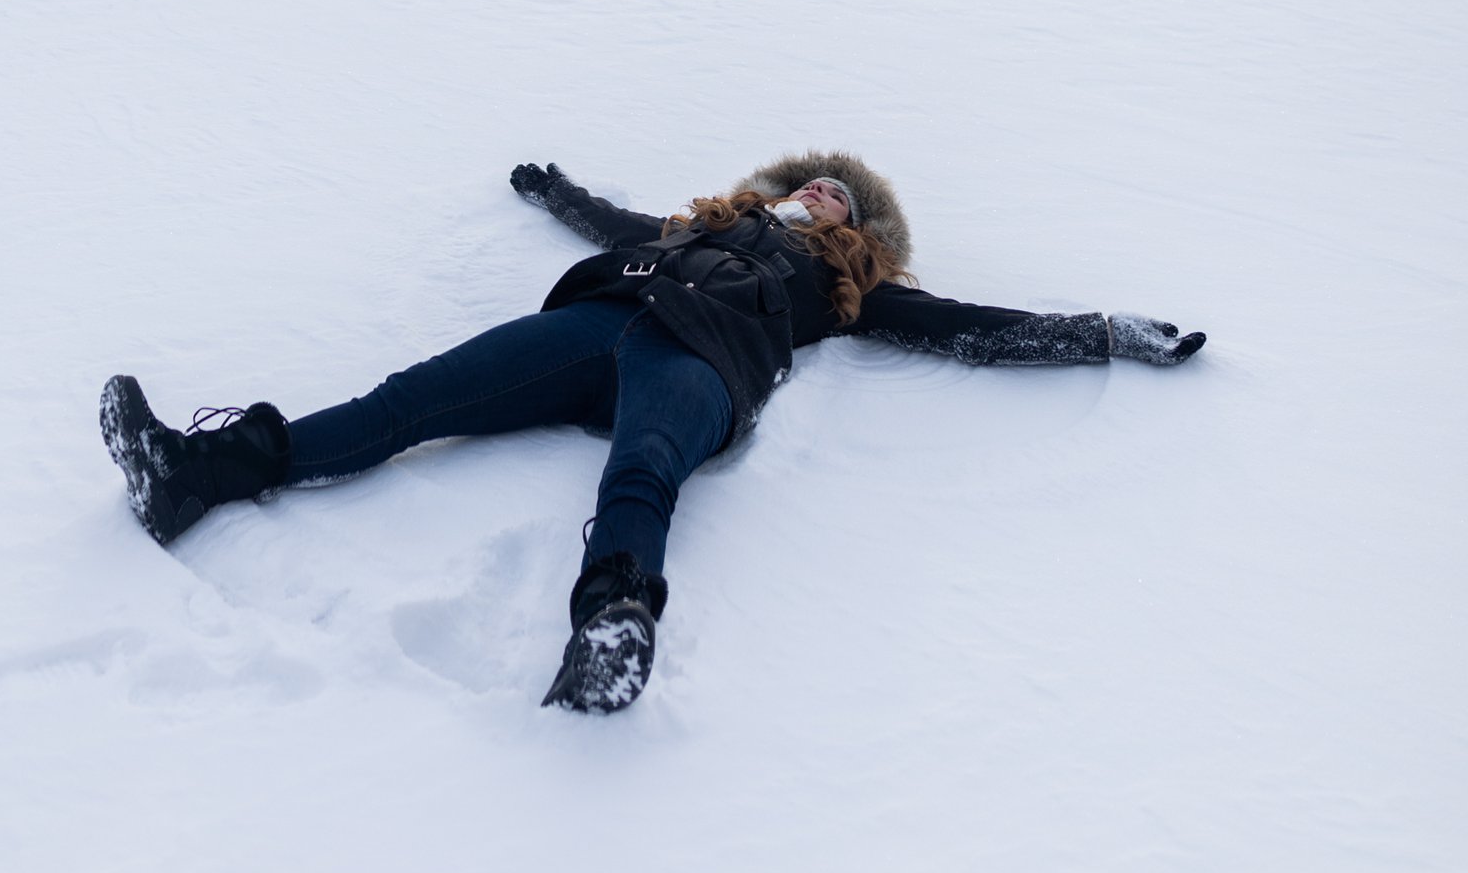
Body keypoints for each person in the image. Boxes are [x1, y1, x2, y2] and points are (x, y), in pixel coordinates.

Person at [100, 150, 1205, 716]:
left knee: (648, 471)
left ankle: (614, 627)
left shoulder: (843, 289)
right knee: (411, 400)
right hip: (599, 323)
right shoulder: (693, 229)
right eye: (814, 181)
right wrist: (554, 186)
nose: (824, 194)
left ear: (854, 237)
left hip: (704, 362)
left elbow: (970, 328)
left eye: (842, 201)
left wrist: (1105, 332)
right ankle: (195, 472)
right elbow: (606, 221)